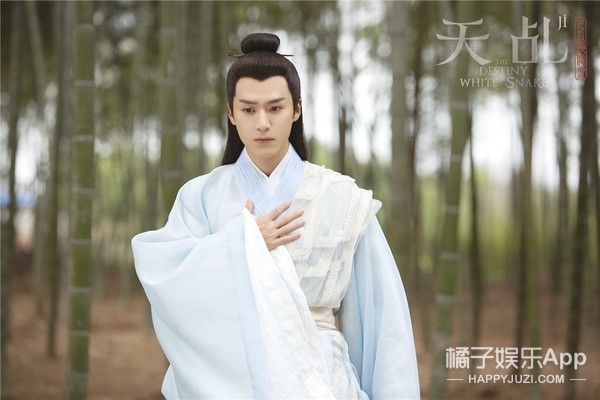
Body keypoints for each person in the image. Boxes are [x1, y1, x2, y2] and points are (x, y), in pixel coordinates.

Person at [132, 32, 420, 399]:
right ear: (231, 113)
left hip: (321, 378)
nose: (262, 123)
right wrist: (245, 244)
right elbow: (169, 282)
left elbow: (383, 321)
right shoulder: (200, 196)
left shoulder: (343, 198)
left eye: (275, 108)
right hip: (231, 379)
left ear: (296, 110)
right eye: (248, 110)